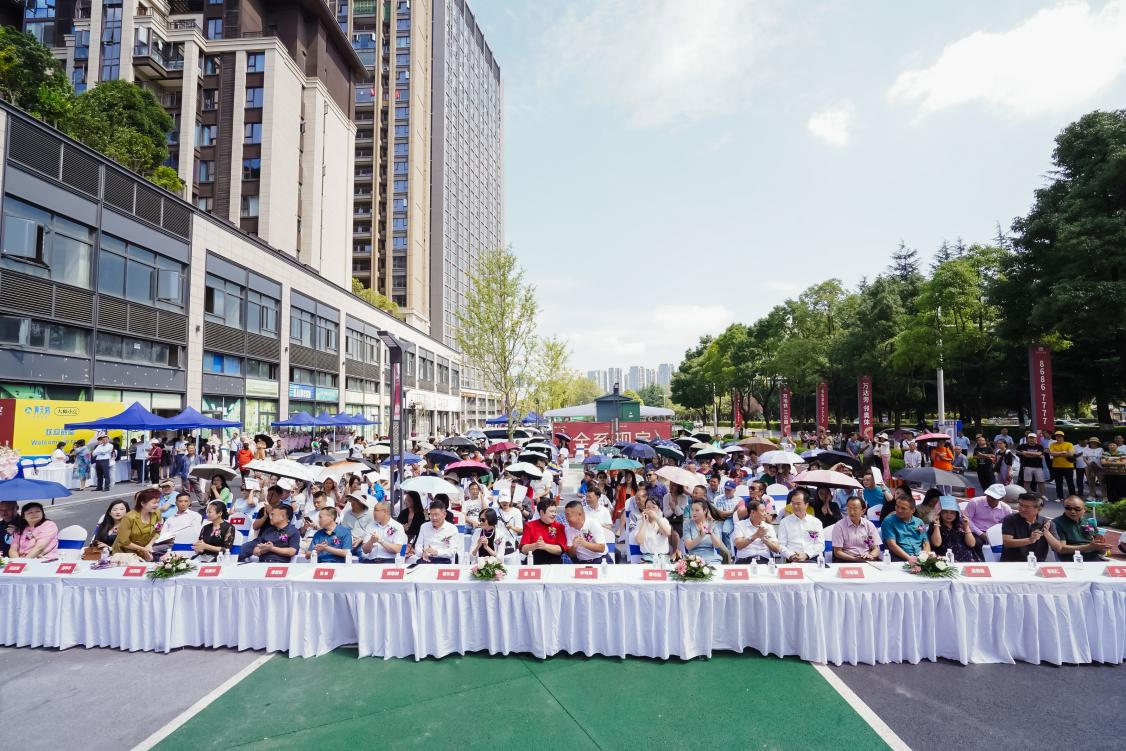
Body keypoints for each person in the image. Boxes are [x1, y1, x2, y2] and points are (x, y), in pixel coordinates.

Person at [1000, 493, 1059, 563]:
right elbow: (1007, 543)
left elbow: (1058, 548)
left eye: (1027, 507)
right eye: (1020, 505)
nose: (1022, 509)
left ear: (1039, 509)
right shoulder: (1010, 519)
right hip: (1012, 562)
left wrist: (1047, 533)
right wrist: (1030, 540)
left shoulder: (1047, 523)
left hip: (1038, 563)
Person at [1050, 496, 1111, 562]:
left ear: (1084, 509)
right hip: (1071, 559)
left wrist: (1102, 547)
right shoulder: (1056, 523)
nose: (1072, 511)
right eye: (1068, 508)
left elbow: (1096, 544)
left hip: (1093, 556)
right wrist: (1089, 547)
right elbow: (1061, 549)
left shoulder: (1089, 522)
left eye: (1077, 509)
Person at [113, 488, 164, 561]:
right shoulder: (129, 517)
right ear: (142, 503)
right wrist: (143, 549)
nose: (157, 505)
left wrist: (149, 545)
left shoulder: (157, 513)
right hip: (125, 552)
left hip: (145, 550)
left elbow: (158, 531)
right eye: (154, 503)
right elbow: (124, 542)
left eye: (158, 502)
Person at [777, 488, 825, 563]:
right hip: (792, 560)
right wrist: (792, 555)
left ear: (806, 505)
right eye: (793, 503)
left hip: (812, 559)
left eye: (798, 504)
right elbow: (781, 545)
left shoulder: (816, 522)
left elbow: (820, 544)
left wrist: (806, 555)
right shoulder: (784, 522)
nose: (795, 506)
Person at [830, 497, 882, 562]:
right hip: (847, 560)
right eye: (849, 509)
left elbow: (876, 548)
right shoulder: (839, 526)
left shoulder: (869, 525)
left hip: (867, 559)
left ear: (863, 511)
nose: (851, 512)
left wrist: (870, 556)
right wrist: (854, 559)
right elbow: (837, 552)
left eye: (855, 509)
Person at [880, 496, 931, 561]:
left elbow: (925, 542)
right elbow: (892, 545)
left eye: (903, 508)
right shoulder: (889, 521)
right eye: (897, 506)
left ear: (913, 510)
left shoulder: (919, 522)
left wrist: (925, 558)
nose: (899, 510)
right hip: (899, 559)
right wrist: (910, 559)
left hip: (919, 557)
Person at [929, 497, 979, 562]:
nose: (949, 515)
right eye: (945, 512)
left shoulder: (961, 523)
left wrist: (966, 527)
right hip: (946, 557)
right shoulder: (934, 524)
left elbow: (971, 544)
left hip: (966, 556)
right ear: (940, 512)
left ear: (956, 513)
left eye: (952, 512)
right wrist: (937, 525)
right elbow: (937, 543)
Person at [732, 499, 781, 563]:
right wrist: (755, 535)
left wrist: (765, 540)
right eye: (762, 511)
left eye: (765, 511)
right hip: (745, 560)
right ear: (753, 512)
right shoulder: (740, 525)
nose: (765, 514)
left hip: (764, 560)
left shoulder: (769, 527)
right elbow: (739, 546)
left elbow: (777, 549)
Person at [681, 499, 727, 564]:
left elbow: (717, 545)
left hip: (712, 558)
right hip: (693, 558)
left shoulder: (713, 523)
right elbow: (688, 546)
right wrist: (700, 536)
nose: (693, 513)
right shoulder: (687, 523)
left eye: (697, 510)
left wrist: (711, 533)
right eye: (692, 510)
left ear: (705, 511)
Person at [632, 496, 672, 563]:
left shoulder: (663, 521)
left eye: (653, 507)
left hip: (663, 558)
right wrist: (644, 522)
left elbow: (668, 533)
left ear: (658, 509)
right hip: (647, 558)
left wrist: (656, 518)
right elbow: (639, 541)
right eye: (648, 507)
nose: (651, 510)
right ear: (644, 509)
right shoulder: (640, 522)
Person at [1048, 430, 1076, 499]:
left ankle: (1073, 496)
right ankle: (1060, 497)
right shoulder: (1052, 444)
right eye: (1057, 436)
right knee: (1058, 483)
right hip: (1056, 466)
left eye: (1060, 436)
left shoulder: (1069, 444)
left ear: (1063, 437)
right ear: (1055, 437)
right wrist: (1063, 452)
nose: (1058, 437)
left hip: (1068, 466)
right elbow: (1052, 453)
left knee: (1070, 482)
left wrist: (1057, 453)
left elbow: (1071, 454)